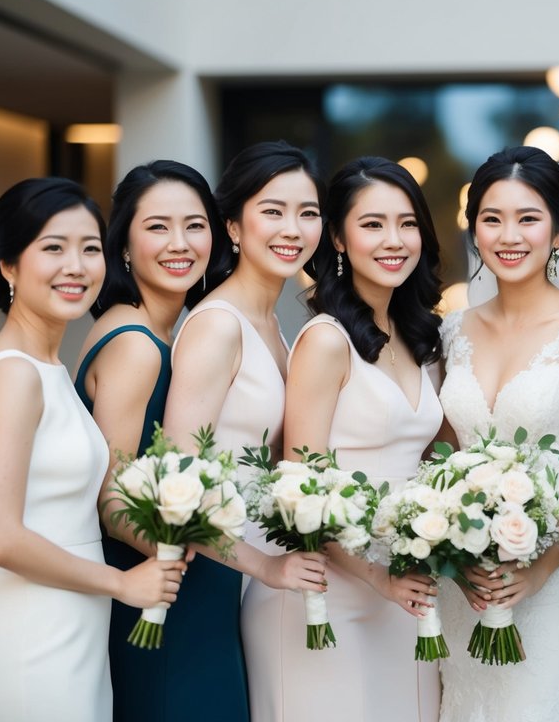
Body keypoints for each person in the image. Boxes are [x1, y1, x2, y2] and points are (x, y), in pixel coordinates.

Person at [0, 178, 185, 722]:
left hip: (73, 638)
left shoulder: (49, 368)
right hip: (29, 646)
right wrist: (122, 582)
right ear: (9, 265)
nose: (76, 266)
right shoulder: (14, 374)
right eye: (53, 248)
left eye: (89, 248)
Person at [248, 157, 443, 721]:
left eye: (407, 224)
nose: (394, 240)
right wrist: (378, 577)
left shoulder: (416, 340)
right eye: (372, 224)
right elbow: (301, 493)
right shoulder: (326, 341)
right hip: (325, 592)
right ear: (337, 237)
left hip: (403, 587)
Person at [436, 145, 559, 722]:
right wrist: (453, 553)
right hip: (468, 584)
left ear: (558, 232)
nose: (508, 234)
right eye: (491, 219)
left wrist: (535, 570)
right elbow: (445, 458)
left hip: (555, 582)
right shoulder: (451, 331)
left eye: (527, 217)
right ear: (474, 232)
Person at [160, 141, 330, 720]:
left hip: (265, 581)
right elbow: (175, 490)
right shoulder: (216, 326)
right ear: (232, 225)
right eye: (272, 210)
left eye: (307, 212)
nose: (293, 228)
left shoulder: (276, 326)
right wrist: (266, 567)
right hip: (217, 580)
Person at [73, 160, 234, 722]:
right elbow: (111, 498)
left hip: (189, 589)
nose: (180, 243)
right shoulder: (136, 344)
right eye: (158, 226)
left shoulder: (167, 331)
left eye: (195, 225)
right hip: (159, 594)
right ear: (123, 244)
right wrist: (202, 536)